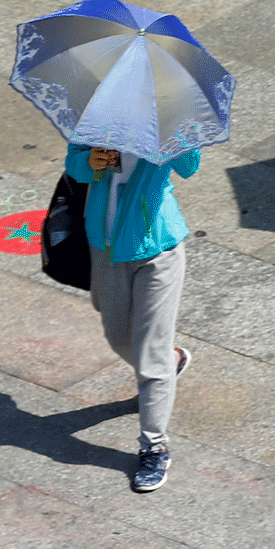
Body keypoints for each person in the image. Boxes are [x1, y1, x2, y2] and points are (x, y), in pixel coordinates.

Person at [64, 143, 199, 493]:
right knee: (117, 335)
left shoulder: (169, 120)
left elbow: (189, 167)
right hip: (104, 245)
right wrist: (90, 162)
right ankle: (171, 363)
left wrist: (178, 136)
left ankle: (154, 447)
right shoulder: (99, 114)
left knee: (150, 357)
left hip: (157, 250)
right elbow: (75, 167)